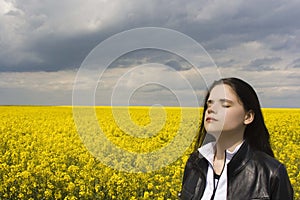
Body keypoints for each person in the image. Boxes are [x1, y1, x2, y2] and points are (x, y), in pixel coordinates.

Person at [179, 77, 294, 200]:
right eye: (209, 104)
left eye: (225, 105)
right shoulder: (195, 163)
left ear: (248, 116)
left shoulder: (271, 173)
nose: (211, 109)